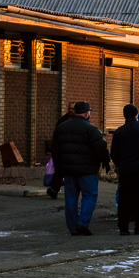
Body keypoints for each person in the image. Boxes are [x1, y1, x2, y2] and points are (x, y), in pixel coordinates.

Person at [49, 101, 110, 236]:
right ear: (87, 113)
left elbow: (54, 149)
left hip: (69, 171)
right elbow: (101, 148)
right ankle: (83, 222)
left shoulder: (62, 128)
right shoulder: (92, 129)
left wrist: (60, 167)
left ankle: (73, 227)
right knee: (89, 195)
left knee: (70, 198)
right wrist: (105, 161)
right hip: (87, 171)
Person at [110, 103, 139, 235]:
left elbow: (114, 153)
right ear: (136, 115)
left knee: (125, 199)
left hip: (126, 170)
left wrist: (121, 164)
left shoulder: (119, 132)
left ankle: (123, 227)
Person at [46, 102, 77, 200]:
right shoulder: (63, 120)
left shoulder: (78, 121)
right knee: (59, 170)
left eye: (72, 109)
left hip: (72, 151)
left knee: (68, 172)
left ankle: (61, 189)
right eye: (69, 108)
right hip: (62, 151)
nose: (71, 111)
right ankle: (54, 189)